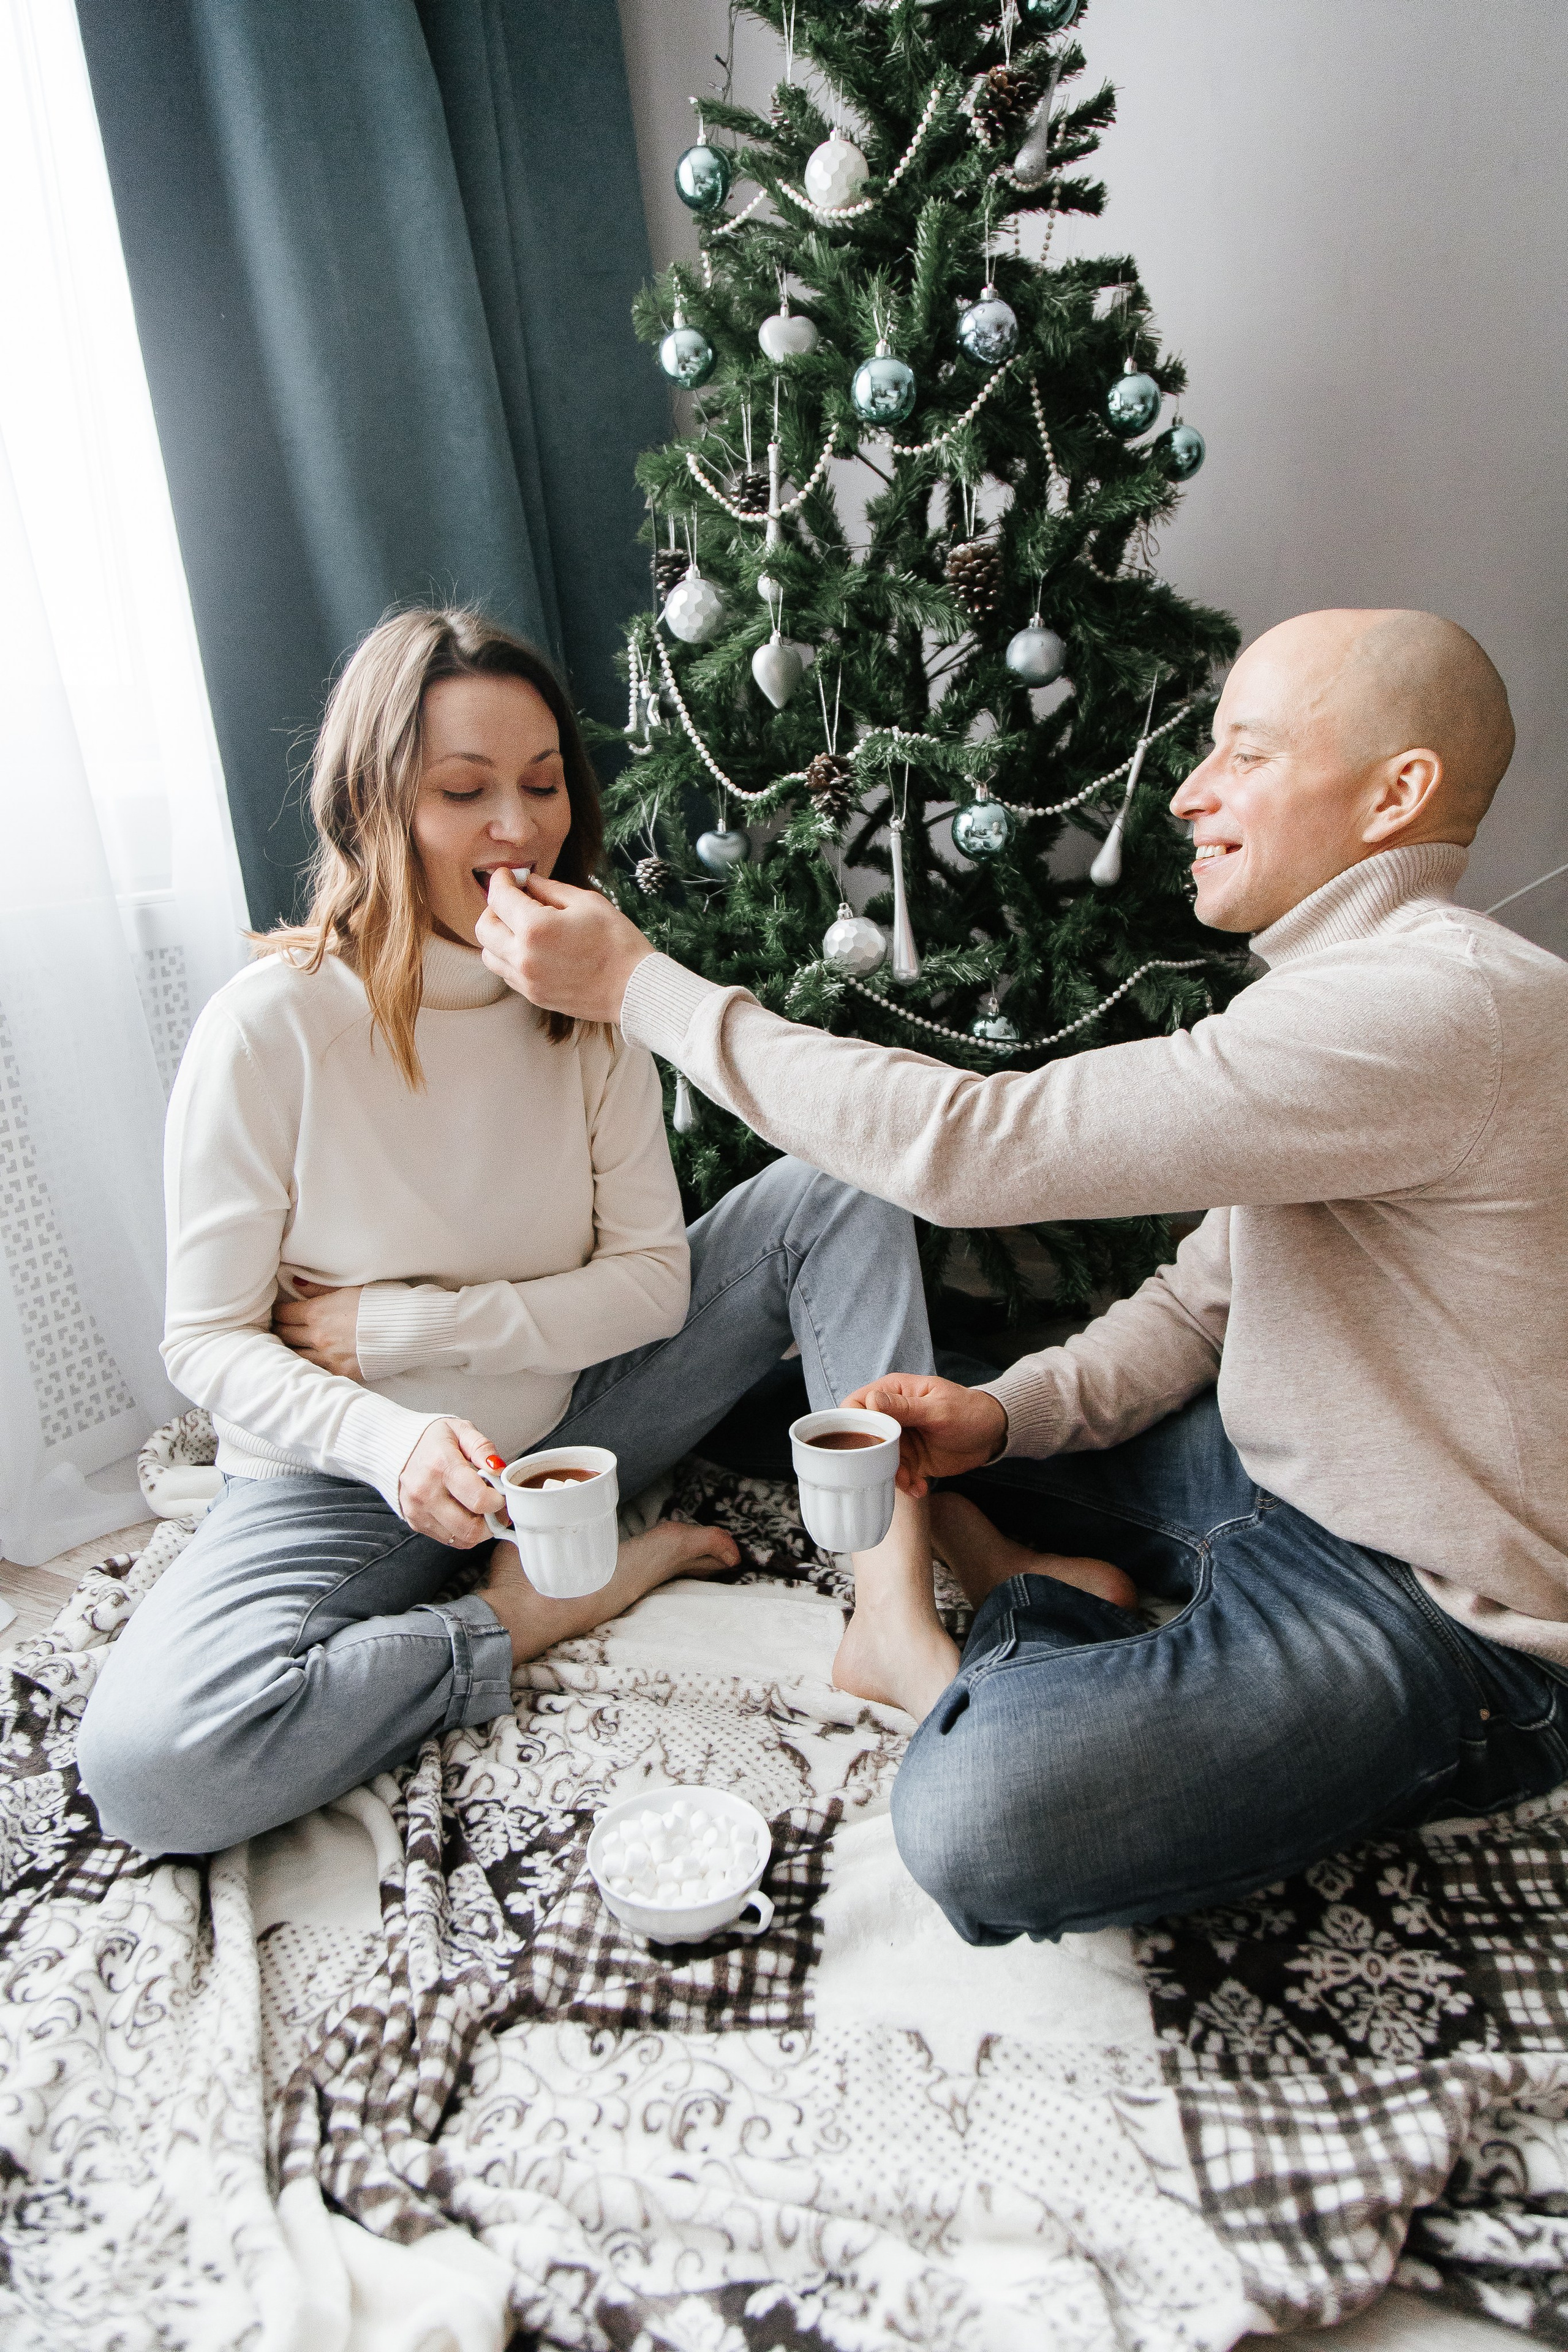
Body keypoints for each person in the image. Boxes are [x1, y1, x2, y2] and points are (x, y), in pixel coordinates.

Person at [474, 607, 1568, 1945]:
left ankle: (1042, 1620)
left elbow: (970, 1150)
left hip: (1428, 1611)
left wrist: (639, 988)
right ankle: (1050, 1579)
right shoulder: (1334, 1002)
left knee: (981, 1814)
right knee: (816, 1420)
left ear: (1397, 794)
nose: (1186, 791)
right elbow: (1199, 1298)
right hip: (1260, 1481)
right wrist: (1003, 1418)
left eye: (1247, 755)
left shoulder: (1433, 1004)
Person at [77, 608, 943, 1857]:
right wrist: (391, 1434)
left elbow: (652, 1288)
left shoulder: (586, 997)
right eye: (463, 791)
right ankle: (522, 1614)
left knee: (846, 1185)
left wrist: (409, 1325)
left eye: (541, 786)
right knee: (153, 1772)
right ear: (375, 808)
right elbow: (209, 1343)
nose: (518, 828)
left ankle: (892, 1610)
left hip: (583, 1419)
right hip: (344, 1478)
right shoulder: (269, 1027)